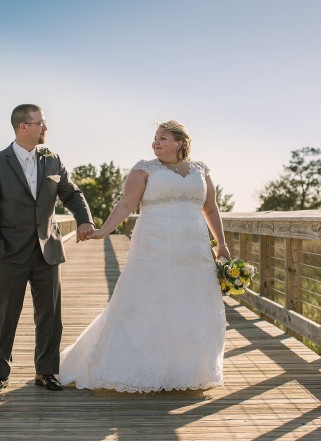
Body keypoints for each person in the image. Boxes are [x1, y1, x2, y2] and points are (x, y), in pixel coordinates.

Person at [60, 120, 231, 392]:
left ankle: (185, 369)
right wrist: (104, 230)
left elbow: (210, 207)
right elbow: (127, 203)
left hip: (193, 248)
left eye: (163, 138)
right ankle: (138, 367)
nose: (156, 143)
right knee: (147, 299)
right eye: (155, 138)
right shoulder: (143, 169)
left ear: (180, 142)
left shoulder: (201, 170)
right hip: (153, 246)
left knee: (192, 302)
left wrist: (221, 243)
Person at [0, 104, 95, 394]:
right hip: (9, 251)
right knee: (4, 315)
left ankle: (46, 372)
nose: (45, 128)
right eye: (40, 123)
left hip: (48, 249)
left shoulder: (52, 159)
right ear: (23, 127)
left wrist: (84, 220)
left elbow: (71, 193)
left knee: (50, 315)